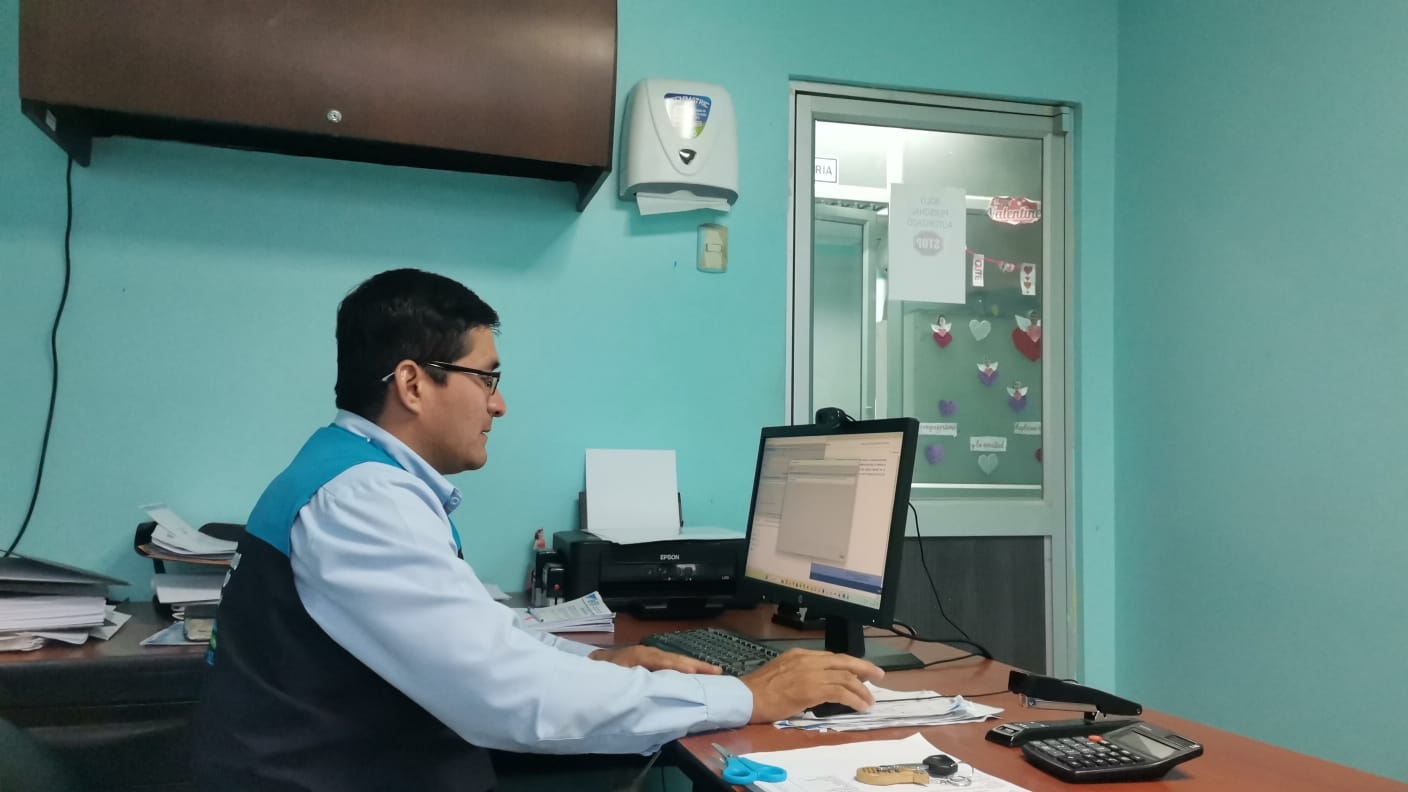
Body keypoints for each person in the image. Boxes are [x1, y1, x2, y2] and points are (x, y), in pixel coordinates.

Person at [191, 268, 882, 792]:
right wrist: (748, 695)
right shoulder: (362, 498)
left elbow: (480, 638)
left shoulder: (346, 471)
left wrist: (597, 663)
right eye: (486, 378)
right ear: (412, 383)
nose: (499, 405)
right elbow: (506, 695)